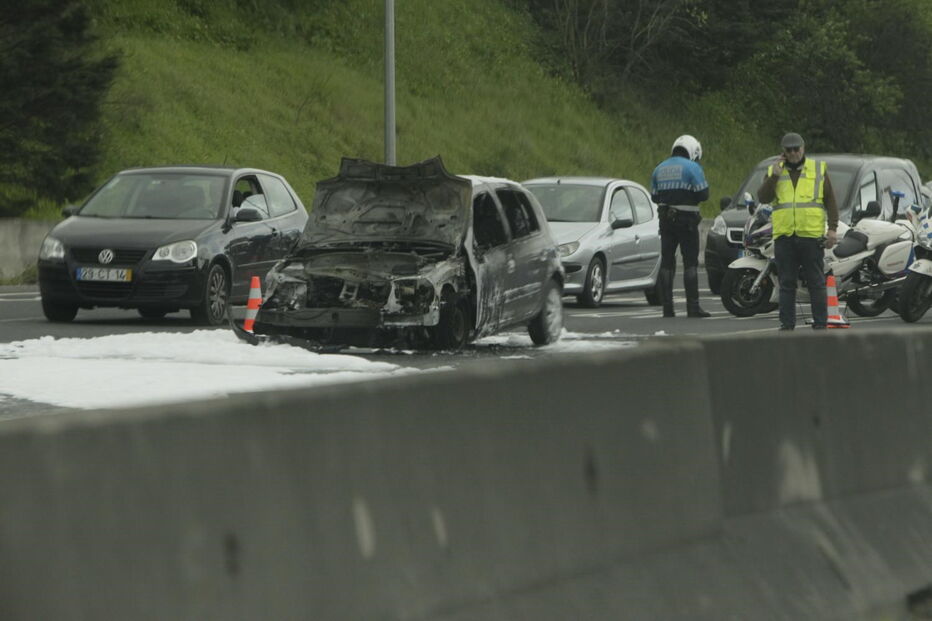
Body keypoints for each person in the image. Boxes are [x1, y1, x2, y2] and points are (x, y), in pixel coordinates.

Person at [757, 132, 839, 330]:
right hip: (785, 237)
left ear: (803, 149)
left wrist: (833, 229)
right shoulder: (774, 171)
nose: (793, 153)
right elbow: (763, 198)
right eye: (789, 150)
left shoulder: (817, 169)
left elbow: (830, 200)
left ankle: (820, 324)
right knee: (786, 284)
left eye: (797, 149)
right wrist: (774, 176)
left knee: (816, 283)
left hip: (810, 236)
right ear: (783, 152)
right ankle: (787, 325)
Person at [650, 134, 711, 318]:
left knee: (667, 262)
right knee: (690, 263)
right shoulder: (693, 167)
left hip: (665, 220)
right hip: (687, 221)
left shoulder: (658, 168)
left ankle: (667, 308)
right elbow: (704, 194)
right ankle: (693, 307)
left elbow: (654, 196)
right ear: (693, 151)